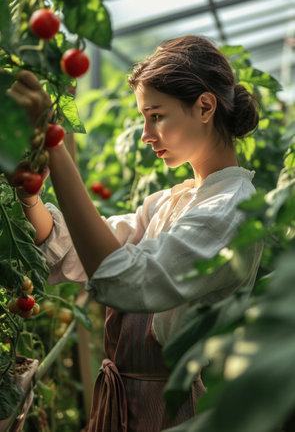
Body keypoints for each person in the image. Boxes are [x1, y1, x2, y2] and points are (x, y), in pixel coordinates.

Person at [7, 35, 264, 432]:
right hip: (126, 406)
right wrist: (29, 194)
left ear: (205, 107)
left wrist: (55, 146)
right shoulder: (169, 201)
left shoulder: (232, 210)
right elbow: (76, 251)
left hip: (178, 413)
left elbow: (124, 280)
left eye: (156, 115)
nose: (146, 133)